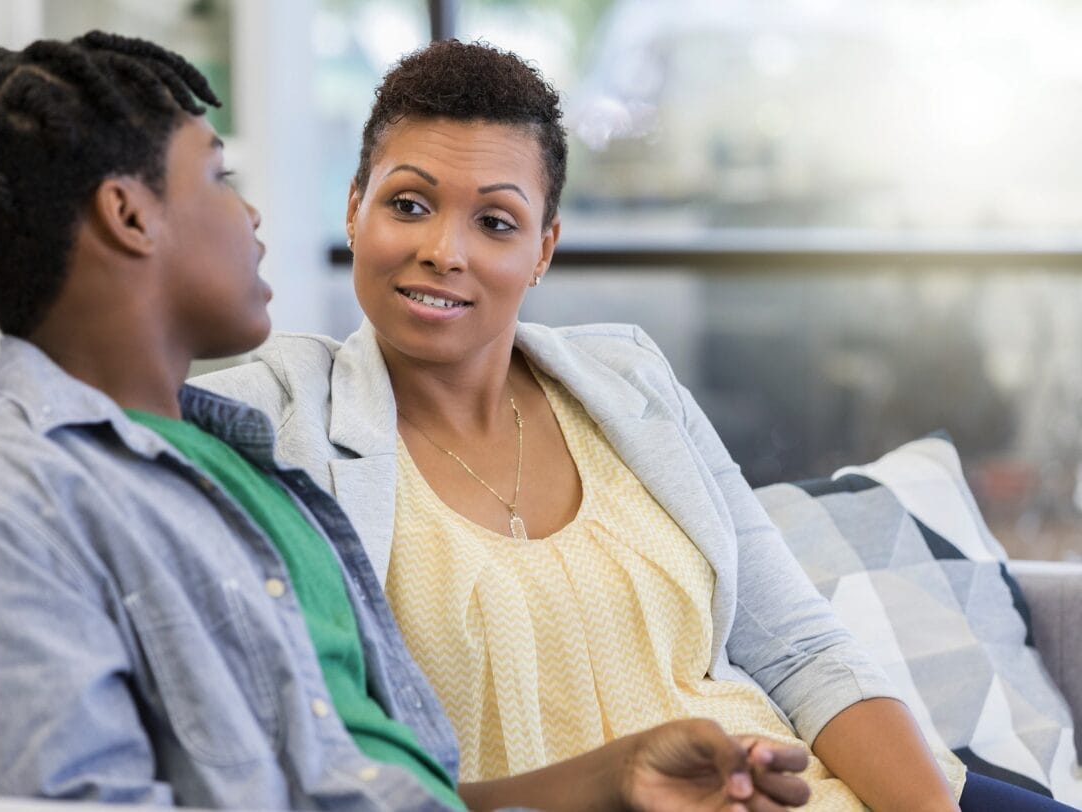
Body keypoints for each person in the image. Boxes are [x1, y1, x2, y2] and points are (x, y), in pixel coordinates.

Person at [0, 30, 812, 811]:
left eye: (495, 221)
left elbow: (375, 786)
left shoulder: (238, 463)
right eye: (219, 178)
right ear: (129, 215)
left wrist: (612, 779)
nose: (252, 214)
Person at [195, 39, 1078, 811]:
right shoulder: (280, 417)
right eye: (409, 205)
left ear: (543, 249)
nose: (444, 251)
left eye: (496, 222)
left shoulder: (628, 381)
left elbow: (802, 649)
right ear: (354, 207)